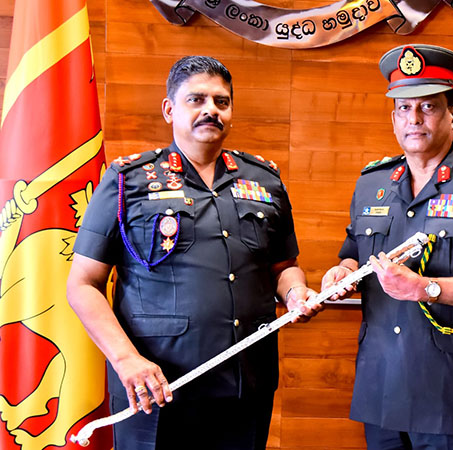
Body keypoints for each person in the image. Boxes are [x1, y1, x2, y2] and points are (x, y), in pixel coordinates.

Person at [67, 55, 320, 450]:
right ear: (170, 109)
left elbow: (284, 267)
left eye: (221, 102)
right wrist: (125, 359)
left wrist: (295, 293)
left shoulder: (264, 181)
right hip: (155, 388)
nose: (211, 110)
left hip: (244, 385)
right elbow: (83, 284)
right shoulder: (127, 181)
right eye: (196, 99)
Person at [321, 44, 453, 450]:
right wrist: (342, 272)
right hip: (381, 386)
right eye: (403, 108)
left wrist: (425, 288)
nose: (413, 119)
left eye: (428, 107)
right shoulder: (372, 182)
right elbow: (353, 254)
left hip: (450, 394)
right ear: (393, 117)